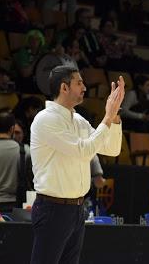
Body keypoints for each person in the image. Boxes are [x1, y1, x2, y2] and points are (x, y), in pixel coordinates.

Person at [30, 65, 124, 264]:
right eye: (79, 82)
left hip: (77, 209)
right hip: (52, 208)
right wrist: (106, 117)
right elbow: (85, 151)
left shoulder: (79, 120)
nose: (84, 87)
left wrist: (114, 117)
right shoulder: (45, 120)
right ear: (64, 88)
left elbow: (112, 149)